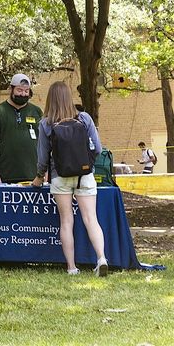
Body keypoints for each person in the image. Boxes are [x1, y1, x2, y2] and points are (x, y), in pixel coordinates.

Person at [32, 81, 110, 276]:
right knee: (91, 219)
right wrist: (88, 165)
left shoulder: (46, 123)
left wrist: (39, 177)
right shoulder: (84, 118)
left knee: (66, 221)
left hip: (60, 176)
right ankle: (101, 258)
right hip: (85, 175)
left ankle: (72, 267)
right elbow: (98, 149)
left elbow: (42, 158)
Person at [0, 73, 44, 183]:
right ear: (10, 89)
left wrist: (43, 173)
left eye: (26, 91)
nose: (23, 94)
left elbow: (43, 143)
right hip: (4, 175)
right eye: (19, 90)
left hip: (33, 176)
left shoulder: (36, 111)